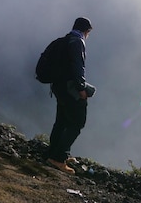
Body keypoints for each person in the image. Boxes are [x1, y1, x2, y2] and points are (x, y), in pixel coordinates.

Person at [46, 17, 93, 174]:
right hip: (70, 89)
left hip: (58, 87)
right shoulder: (77, 42)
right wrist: (82, 89)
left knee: (62, 121)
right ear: (86, 31)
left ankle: (53, 153)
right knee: (77, 122)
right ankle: (58, 159)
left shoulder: (64, 40)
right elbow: (77, 67)